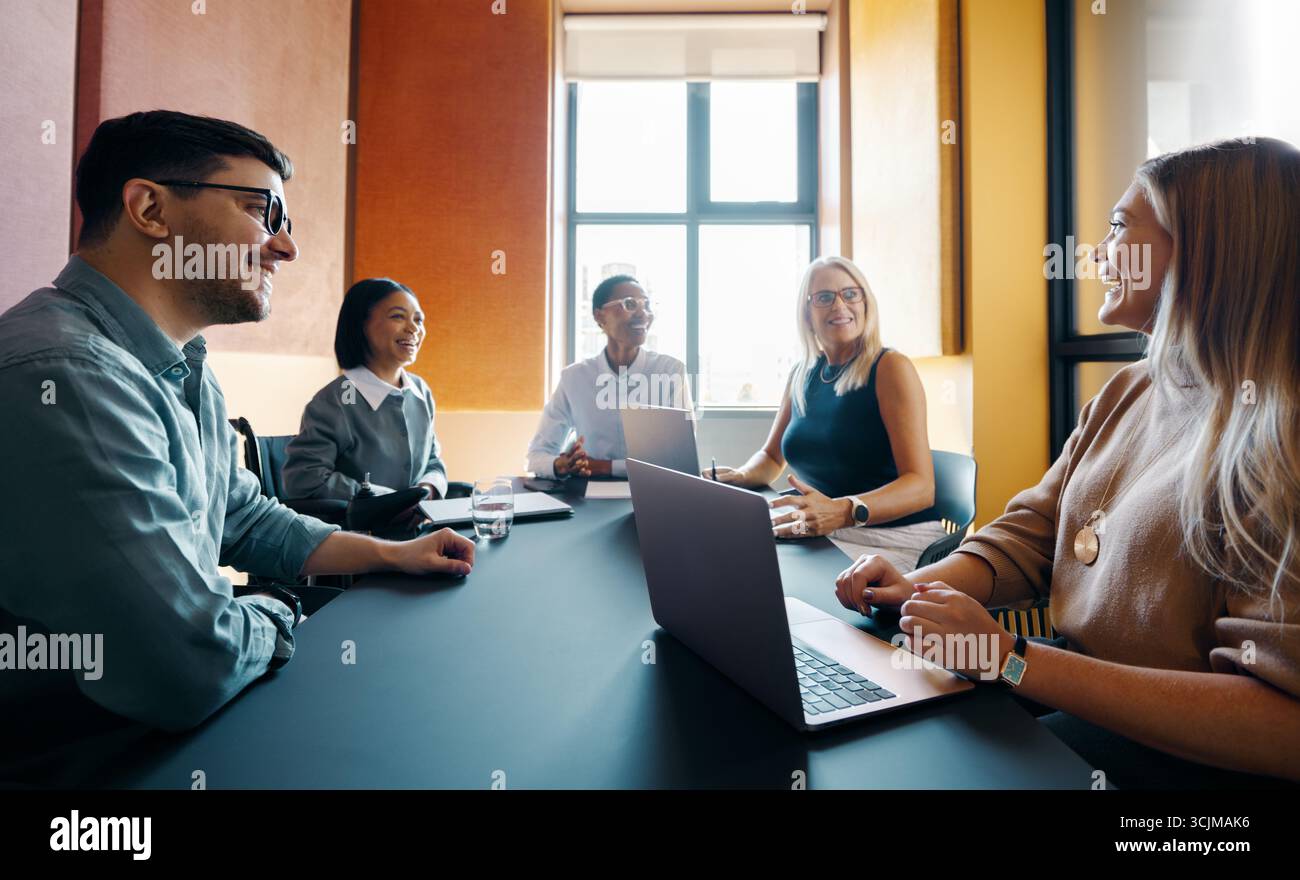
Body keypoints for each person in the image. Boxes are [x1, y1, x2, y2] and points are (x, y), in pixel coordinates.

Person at [0, 110, 474, 786]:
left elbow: (244, 517)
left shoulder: (184, 363)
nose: (286, 249)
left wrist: (387, 554)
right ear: (149, 208)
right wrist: (281, 610)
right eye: (262, 211)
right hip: (85, 763)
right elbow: (184, 664)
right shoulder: (65, 375)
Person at [836, 137, 1300, 786]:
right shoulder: (1130, 388)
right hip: (1070, 692)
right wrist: (918, 590)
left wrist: (1012, 659)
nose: (1096, 255)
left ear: (1205, 248)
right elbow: (1034, 532)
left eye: (1118, 229)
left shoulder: (1281, 436)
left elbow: (1282, 722)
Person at [710, 255, 944, 570]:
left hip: (890, 537)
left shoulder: (890, 367)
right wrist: (740, 476)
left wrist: (842, 511)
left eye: (850, 293)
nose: (839, 305)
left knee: (754, 570)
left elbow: (921, 487)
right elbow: (770, 458)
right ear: (807, 313)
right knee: (723, 548)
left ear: (865, 303)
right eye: (824, 297)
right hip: (824, 530)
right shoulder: (803, 372)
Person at [283, 278, 448, 502]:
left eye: (418, 320)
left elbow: (432, 460)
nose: (413, 329)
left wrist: (428, 489)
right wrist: (385, 500)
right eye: (398, 316)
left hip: (416, 530)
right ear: (361, 324)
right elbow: (304, 479)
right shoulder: (335, 400)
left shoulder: (421, 391)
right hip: (357, 533)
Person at [526, 274, 690, 479]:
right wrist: (560, 464)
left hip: (656, 492)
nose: (643, 313)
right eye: (630, 304)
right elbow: (536, 456)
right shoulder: (574, 378)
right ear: (599, 316)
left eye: (646, 305)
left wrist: (605, 466)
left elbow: (679, 460)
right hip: (590, 497)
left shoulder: (670, 371)